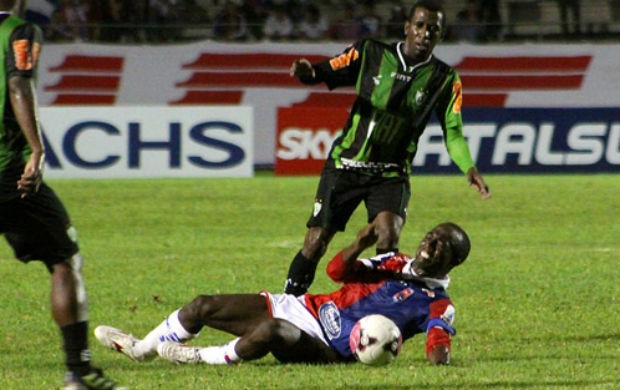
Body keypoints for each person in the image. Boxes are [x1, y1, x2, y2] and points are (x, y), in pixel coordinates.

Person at [283, 0, 491, 297]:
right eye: (419, 25)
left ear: (441, 36)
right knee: (316, 241)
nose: (425, 33)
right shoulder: (369, 52)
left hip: (391, 174)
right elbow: (323, 72)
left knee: (388, 235)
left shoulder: (445, 79)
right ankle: (289, 304)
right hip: (346, 165)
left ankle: (372, 309)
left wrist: (468, 167)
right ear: (407, 27)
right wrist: (306, 71)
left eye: (433, 29)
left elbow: (453, 132)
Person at [94, 221, 470, 366]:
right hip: (302, 308)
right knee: (202, 306)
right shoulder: (396, 262)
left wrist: (441, 356)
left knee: (272, 331)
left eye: (442, 246)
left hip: (327, 347)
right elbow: (336, 271)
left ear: (453, 262)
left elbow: (438, 346)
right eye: (431, 236)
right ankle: (141, 350)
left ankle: (199, 357)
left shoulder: (437, 303)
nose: (430, 243)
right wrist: (358, 243)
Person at [0, 2, 124, 389]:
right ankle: (79, 371)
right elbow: (19, 82)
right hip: (7, 173)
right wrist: (36, 150)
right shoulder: (19, 31)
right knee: (63, 260)